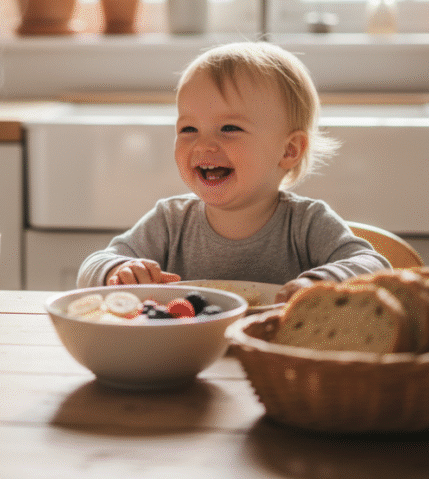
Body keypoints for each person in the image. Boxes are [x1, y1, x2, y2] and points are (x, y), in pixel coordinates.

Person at [76, 41, 391, 301]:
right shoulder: (171, 222)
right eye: (188, 128)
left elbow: (374, 267)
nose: (203, 144)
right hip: (184, 358)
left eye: (229, 128)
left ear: (289, 150)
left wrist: (319, 283)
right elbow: (92, 267)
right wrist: (118, 271)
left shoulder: (306, 225)